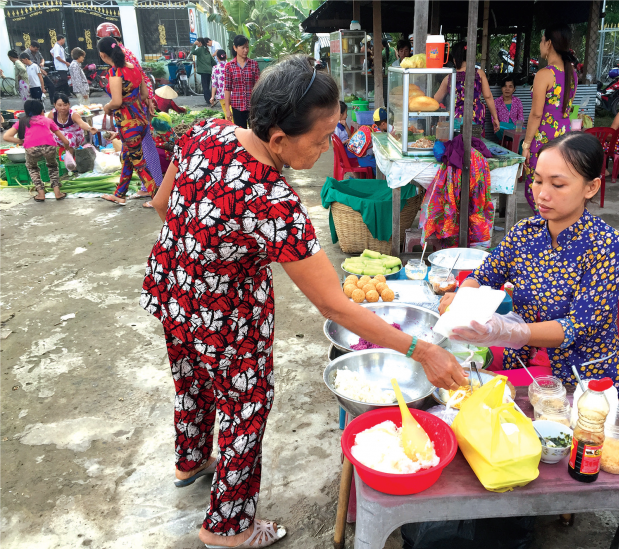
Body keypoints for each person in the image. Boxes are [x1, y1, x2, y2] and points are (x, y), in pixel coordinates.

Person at [141, 54, 466, 549]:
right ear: (278, 140)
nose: (327, 147)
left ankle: (190, 461)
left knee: (191, 381)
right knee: (246, 409)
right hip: (228, 317)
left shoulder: (207, 132)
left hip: (172, 287)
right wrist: (422, 350)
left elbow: (163, 204)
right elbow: (335, 306)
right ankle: (227, 528)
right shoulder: (273, 202)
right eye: (320, 139)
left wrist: (205, 247)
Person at [440, 132, 619, 401]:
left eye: (558, 184)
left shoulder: (608, 247)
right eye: (538, 180)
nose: (542, 194)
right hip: (520, 357)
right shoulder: (525, 233)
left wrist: (509, 331)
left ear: (591, 188)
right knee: (446, 370)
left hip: (577, 377)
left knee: (471, 396)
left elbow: (576, 326)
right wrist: (462, 301)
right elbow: (484, 275)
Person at [521, 23, 578, 214]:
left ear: (549, 43)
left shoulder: (545, 74)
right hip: (564, 139)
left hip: (544, 139)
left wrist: (526, 144)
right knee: (556, 185)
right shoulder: (572, 73)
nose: (540, 44)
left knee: (537, 188)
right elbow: (569, 107)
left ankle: (545, 226)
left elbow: (536, 114)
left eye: (542, 40)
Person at [96, 36, 155, 206]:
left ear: (102, 55)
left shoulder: (115, 72)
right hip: (140, 120)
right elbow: (144, 94)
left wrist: (107, 107)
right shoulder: (134, 68)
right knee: (127, 157)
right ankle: (120, 194)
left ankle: (158, 198)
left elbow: (116, 102)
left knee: (139, 162)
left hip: (128, 124)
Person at [3, 99, 71, 202]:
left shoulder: (22, 121)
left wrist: (22, 141)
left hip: (32, 148)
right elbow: (64, 139)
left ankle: (41, 193)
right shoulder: (47, 120)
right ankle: (57, 192)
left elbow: (6, 137)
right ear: (41, 110)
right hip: (49, 146)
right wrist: (66, 146)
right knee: (52, 166)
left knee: (32, 168)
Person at [433, 41, 499, 136]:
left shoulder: (449, 78)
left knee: (457, 142)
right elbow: (488, 97)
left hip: (456, 119)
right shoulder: (479, 74)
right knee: (474, 143)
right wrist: (495, 117)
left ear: (454, 59)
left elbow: (435, 100)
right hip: (476, 117)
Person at [225, 35, 260, 128]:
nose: (246, 50)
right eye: (243, 47)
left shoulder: (253, 64)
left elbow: (258, 86)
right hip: (237, 106)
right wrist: (227, 110)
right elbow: (227, 89)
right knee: (240, 132)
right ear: (235, 48)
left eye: (247, 47)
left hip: (252, 106)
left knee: (255, 131)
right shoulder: (229, 66)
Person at [491, 74, 524, 142]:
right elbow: (493, 119)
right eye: (505, 86)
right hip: (502, 130)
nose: (507, 89)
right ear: (501, 88)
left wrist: (518, 128)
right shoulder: (496, 102)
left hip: (516, 130)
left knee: (522, 132)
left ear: (514, 89)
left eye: (510, 86)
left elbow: (521, 117)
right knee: (500, 125)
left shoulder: (518, 101)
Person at [192, 37, 214, 105]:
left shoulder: (200, 49)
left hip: (203, 71)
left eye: (197, 42)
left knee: (205, 86)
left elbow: (193, 52)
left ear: (200, 42)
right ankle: (212, 98)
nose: (197, 44)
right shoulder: (206, 50)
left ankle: (209, 100)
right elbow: (213, 61)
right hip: (209, 71)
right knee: (207, 85)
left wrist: (194, 45)